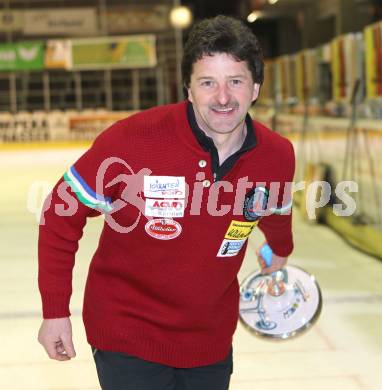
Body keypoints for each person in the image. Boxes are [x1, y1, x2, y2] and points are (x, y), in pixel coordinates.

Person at [37, 15, 295, 390]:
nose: (222, 97)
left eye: (235, 82)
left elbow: (274, 207)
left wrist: (281, 249)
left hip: (210, 340)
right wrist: (55, 311)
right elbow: (59, 215)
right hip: (128, 333)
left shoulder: (277, 155)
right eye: (208, 83)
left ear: (255, 88)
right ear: (188, 89)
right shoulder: (132, 141)